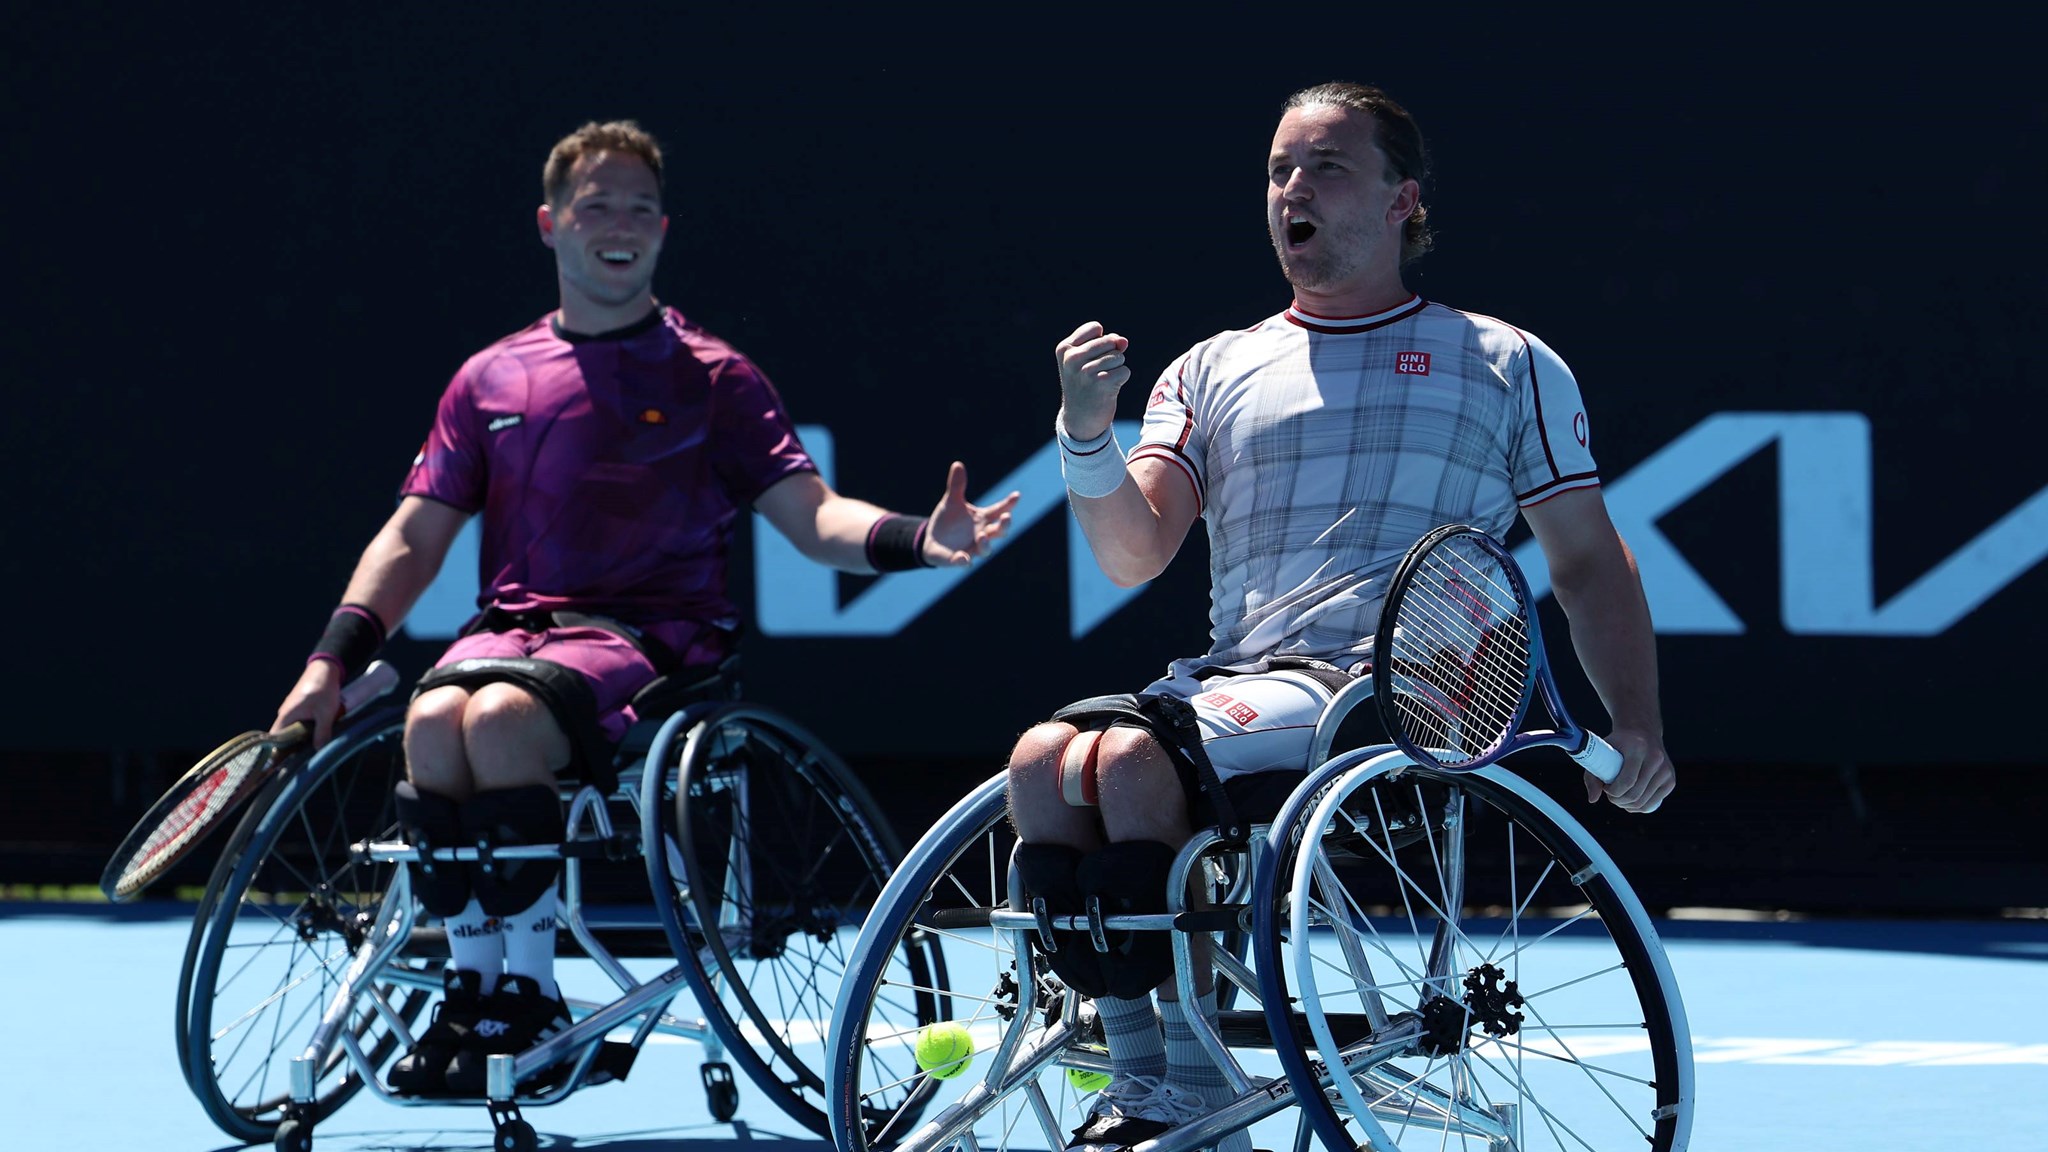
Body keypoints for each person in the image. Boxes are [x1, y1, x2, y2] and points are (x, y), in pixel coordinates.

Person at [271, 120, 1018, 1098]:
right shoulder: (488, 379)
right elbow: (413, 536)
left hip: (657, 644)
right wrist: (330, 659)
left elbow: (813, 517)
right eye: (595, 205)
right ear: (551, 224)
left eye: (637, 208)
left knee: (493, 718)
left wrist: (919, 539)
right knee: (431, 718)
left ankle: (527, 998)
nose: (616, 225)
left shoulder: (713, 378)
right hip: (513, 632)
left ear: (661, 231)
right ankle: (475, 988)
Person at [1005, 81, 1677, 1152]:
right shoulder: (1207, 368)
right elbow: (1132, 551)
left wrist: (1629, 725)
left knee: (1128, 765)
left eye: (1324, 167)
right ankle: (1151, 1065)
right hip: (1233, 686)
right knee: (1041, 759)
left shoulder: (1505, 361)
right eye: (1277, 170)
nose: (1291, 190)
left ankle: (1174, 1081)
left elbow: (1589, 562)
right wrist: (1085, 435)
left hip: (1398, 700)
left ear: (1402, 199)